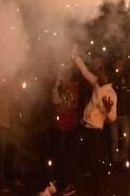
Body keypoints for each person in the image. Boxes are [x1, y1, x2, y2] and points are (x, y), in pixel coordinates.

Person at [70, 44, 116, 193]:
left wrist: (108, 111)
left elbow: (113, 117)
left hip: (95, 129)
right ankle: (74, 181)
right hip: (84, 124)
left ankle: (101, 187)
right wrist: (76, 56)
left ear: (107, 76)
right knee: (77, 152)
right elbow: (84, 71)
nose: (99, 73)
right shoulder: (97, 83)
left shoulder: (111, 94)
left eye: (101, 72)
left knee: (95, 159)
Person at [49, 64, 80, 195]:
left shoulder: (69, 87)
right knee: (65, 154)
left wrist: (56, 82)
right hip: (69, 125)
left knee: (62, 156)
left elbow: (55, 100)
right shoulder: (76, 86)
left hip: (63, 126)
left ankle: (67, 183)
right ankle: (62, 181)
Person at [108, 55, 130, 169]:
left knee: (126, 139)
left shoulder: (127, 77)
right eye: (118, 65)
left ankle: (124, 160)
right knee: (114, 140)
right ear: (114, 65)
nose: (120, 67)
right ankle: (115, 162)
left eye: (122, 65)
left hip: (124, 114)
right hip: (114, 114)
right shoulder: (110, 78)